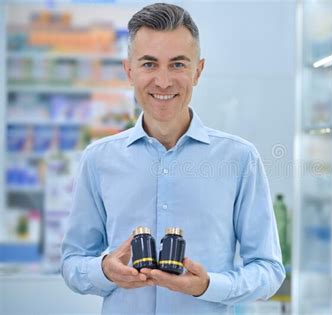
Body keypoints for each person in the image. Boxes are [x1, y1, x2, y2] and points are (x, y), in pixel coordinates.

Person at [61, 3, 285, 314]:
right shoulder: (98, 159)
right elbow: (72, 261)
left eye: (178, 65)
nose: (163, 82)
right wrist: (104, 270)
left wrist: (210, 286)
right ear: (129, 71)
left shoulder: (240, 159)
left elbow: (269, 269)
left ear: (198, 70)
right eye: (149, 64)